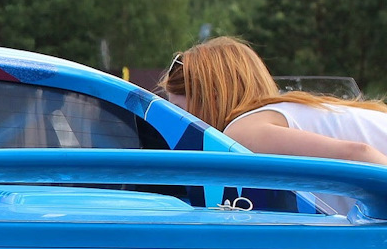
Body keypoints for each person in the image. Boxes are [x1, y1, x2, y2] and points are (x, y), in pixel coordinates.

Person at [162, 36, 387, 165]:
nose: (176, 126)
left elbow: (359, 155)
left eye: (180, 112)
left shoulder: (241, 133)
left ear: (212, 98)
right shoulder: (276, 113)